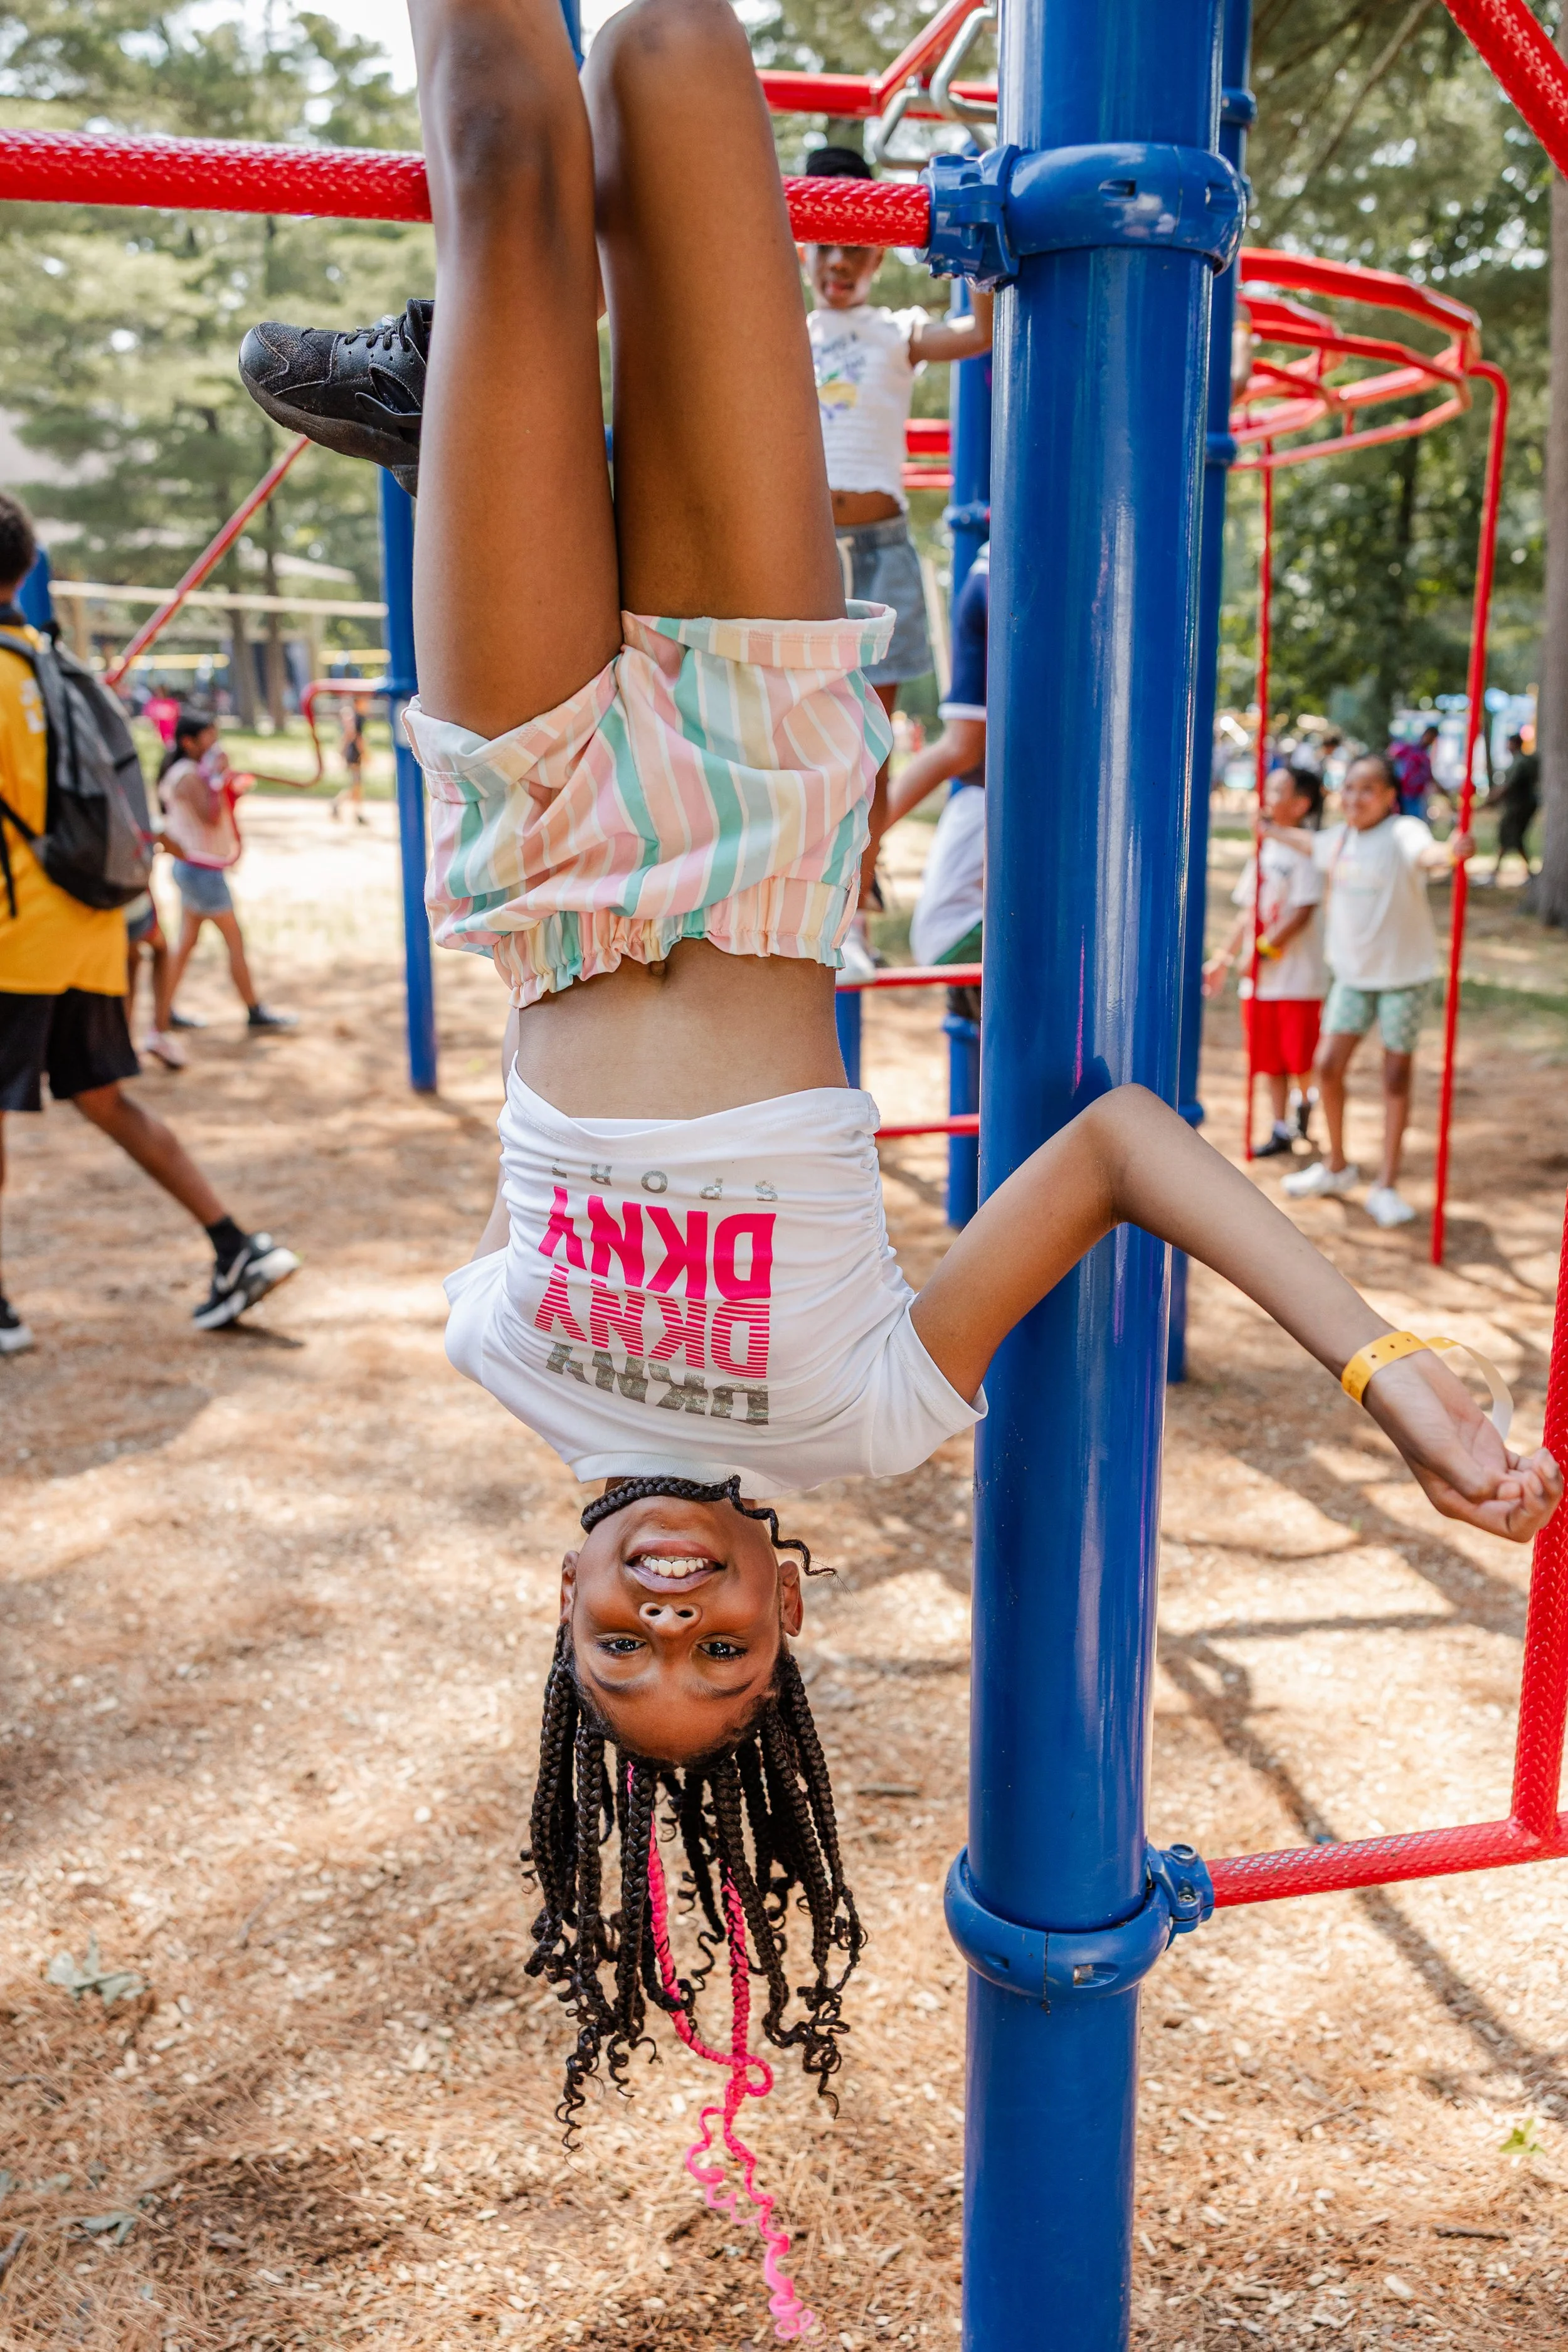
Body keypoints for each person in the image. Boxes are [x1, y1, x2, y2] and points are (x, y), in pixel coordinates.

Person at [234, 0, 1556, 2235]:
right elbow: (1123, 1145)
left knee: (506, 143)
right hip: (762, 799)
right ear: (795, 1596)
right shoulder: (864, 1415)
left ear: (556, 1596)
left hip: (544, 816)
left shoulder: (498, 1347)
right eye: (717, 1647)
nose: (671, 1612)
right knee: (671, 64)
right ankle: (494, 372)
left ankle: (474, 363)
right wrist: (1387, 1365)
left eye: (619, 1645)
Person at [0, 495, 300, 1353]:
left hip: (14, 935)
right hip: (94, 924)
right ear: (26, 570)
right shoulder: (63, 668)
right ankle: (236, 1243)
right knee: (103, 1095)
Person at [800, 144, 992, 965]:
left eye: (856, 248)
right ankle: (805, 906)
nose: (840, 264)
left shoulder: (897, 332)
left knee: (871, 744)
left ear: (879, 254)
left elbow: (980, 331)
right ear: (805, 250)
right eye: (824, 248)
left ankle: (852, 910)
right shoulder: (784, 330)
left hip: (879, 546)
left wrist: (974, 240)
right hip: (805, 545)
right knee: (806, 735)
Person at [1276, 752, 1471, 1229]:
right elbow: (1303, 842)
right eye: (1348, 788)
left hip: (1403, 976)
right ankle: (1338, 1166)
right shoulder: (1338, 840)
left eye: (1367, 789)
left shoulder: (1402, 832)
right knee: (1326, 1066)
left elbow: (1428, 856)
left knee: (1394, 1076)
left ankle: (1386, 1183)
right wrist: (1267, 825)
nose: (1355, 798)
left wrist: (1450, 853)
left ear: (1389, 796)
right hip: (1353, 977)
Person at [1202, 763, 1327, 1157]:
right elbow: (1247, 911)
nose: (1266, 797)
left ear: (1300, 803)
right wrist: (1224, 956)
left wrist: (1261, 952)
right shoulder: (1263, 848)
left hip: (1296, 978)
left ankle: (1305, 1102)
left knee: (1299, 1057)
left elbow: (1302, 911)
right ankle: (1279, 1127)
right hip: (1261, 981)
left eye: (1276, 790)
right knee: (1269, 1059)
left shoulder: (1307, 849)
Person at [157, 710, 297, 1034]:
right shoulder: (188, 775)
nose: (214, 743)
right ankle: (253, 1009)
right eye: (208, 736)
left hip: (197, 869)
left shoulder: (190, 773)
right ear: (188, 741)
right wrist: (220, 781)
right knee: (234, 941)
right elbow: (209, 814)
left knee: (186, 944)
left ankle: (164, 1012)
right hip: (201, 871)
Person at [887, 541, 988, 978]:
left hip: (991, 794)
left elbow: (961, 748)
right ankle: (855, 851)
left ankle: (854, 851)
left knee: (940, 938)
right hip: (990, 792)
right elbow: (961, 747)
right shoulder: (996, 577)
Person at [124, 886, 184, 1070]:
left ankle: (125, 1043)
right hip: (129, 903)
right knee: (161, 949)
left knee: (131, 961)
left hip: (99, 900)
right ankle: (160, 1031)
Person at [1474, 729, 1539, 885]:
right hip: (1522, 805)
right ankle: (1527, 873)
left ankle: (1497, 874)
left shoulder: (1520, 762)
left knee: (1509, 836)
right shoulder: (1523, 761)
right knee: (1513, 837)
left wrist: (1489, 800)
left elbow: (1507, 787)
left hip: (1518, 806)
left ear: (1513, 744)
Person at [1388, 722, 1439, 819]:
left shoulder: (1425, 758)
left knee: (1414, 820)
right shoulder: (1409, 748)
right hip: (1402, 792)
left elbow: (1429, 777)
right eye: (1429, 735)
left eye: (1433, 738)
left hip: (1415, 795)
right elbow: (1392, 754)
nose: (1429, 739)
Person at [334, 694, 369, 824]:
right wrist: (365, 754)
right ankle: (339, 805)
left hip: (353, 753)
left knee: (357, 785)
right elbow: (354, 736)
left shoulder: (354, 715)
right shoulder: (357, 717)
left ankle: (357, 813)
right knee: (356, 785)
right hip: (354, 754)